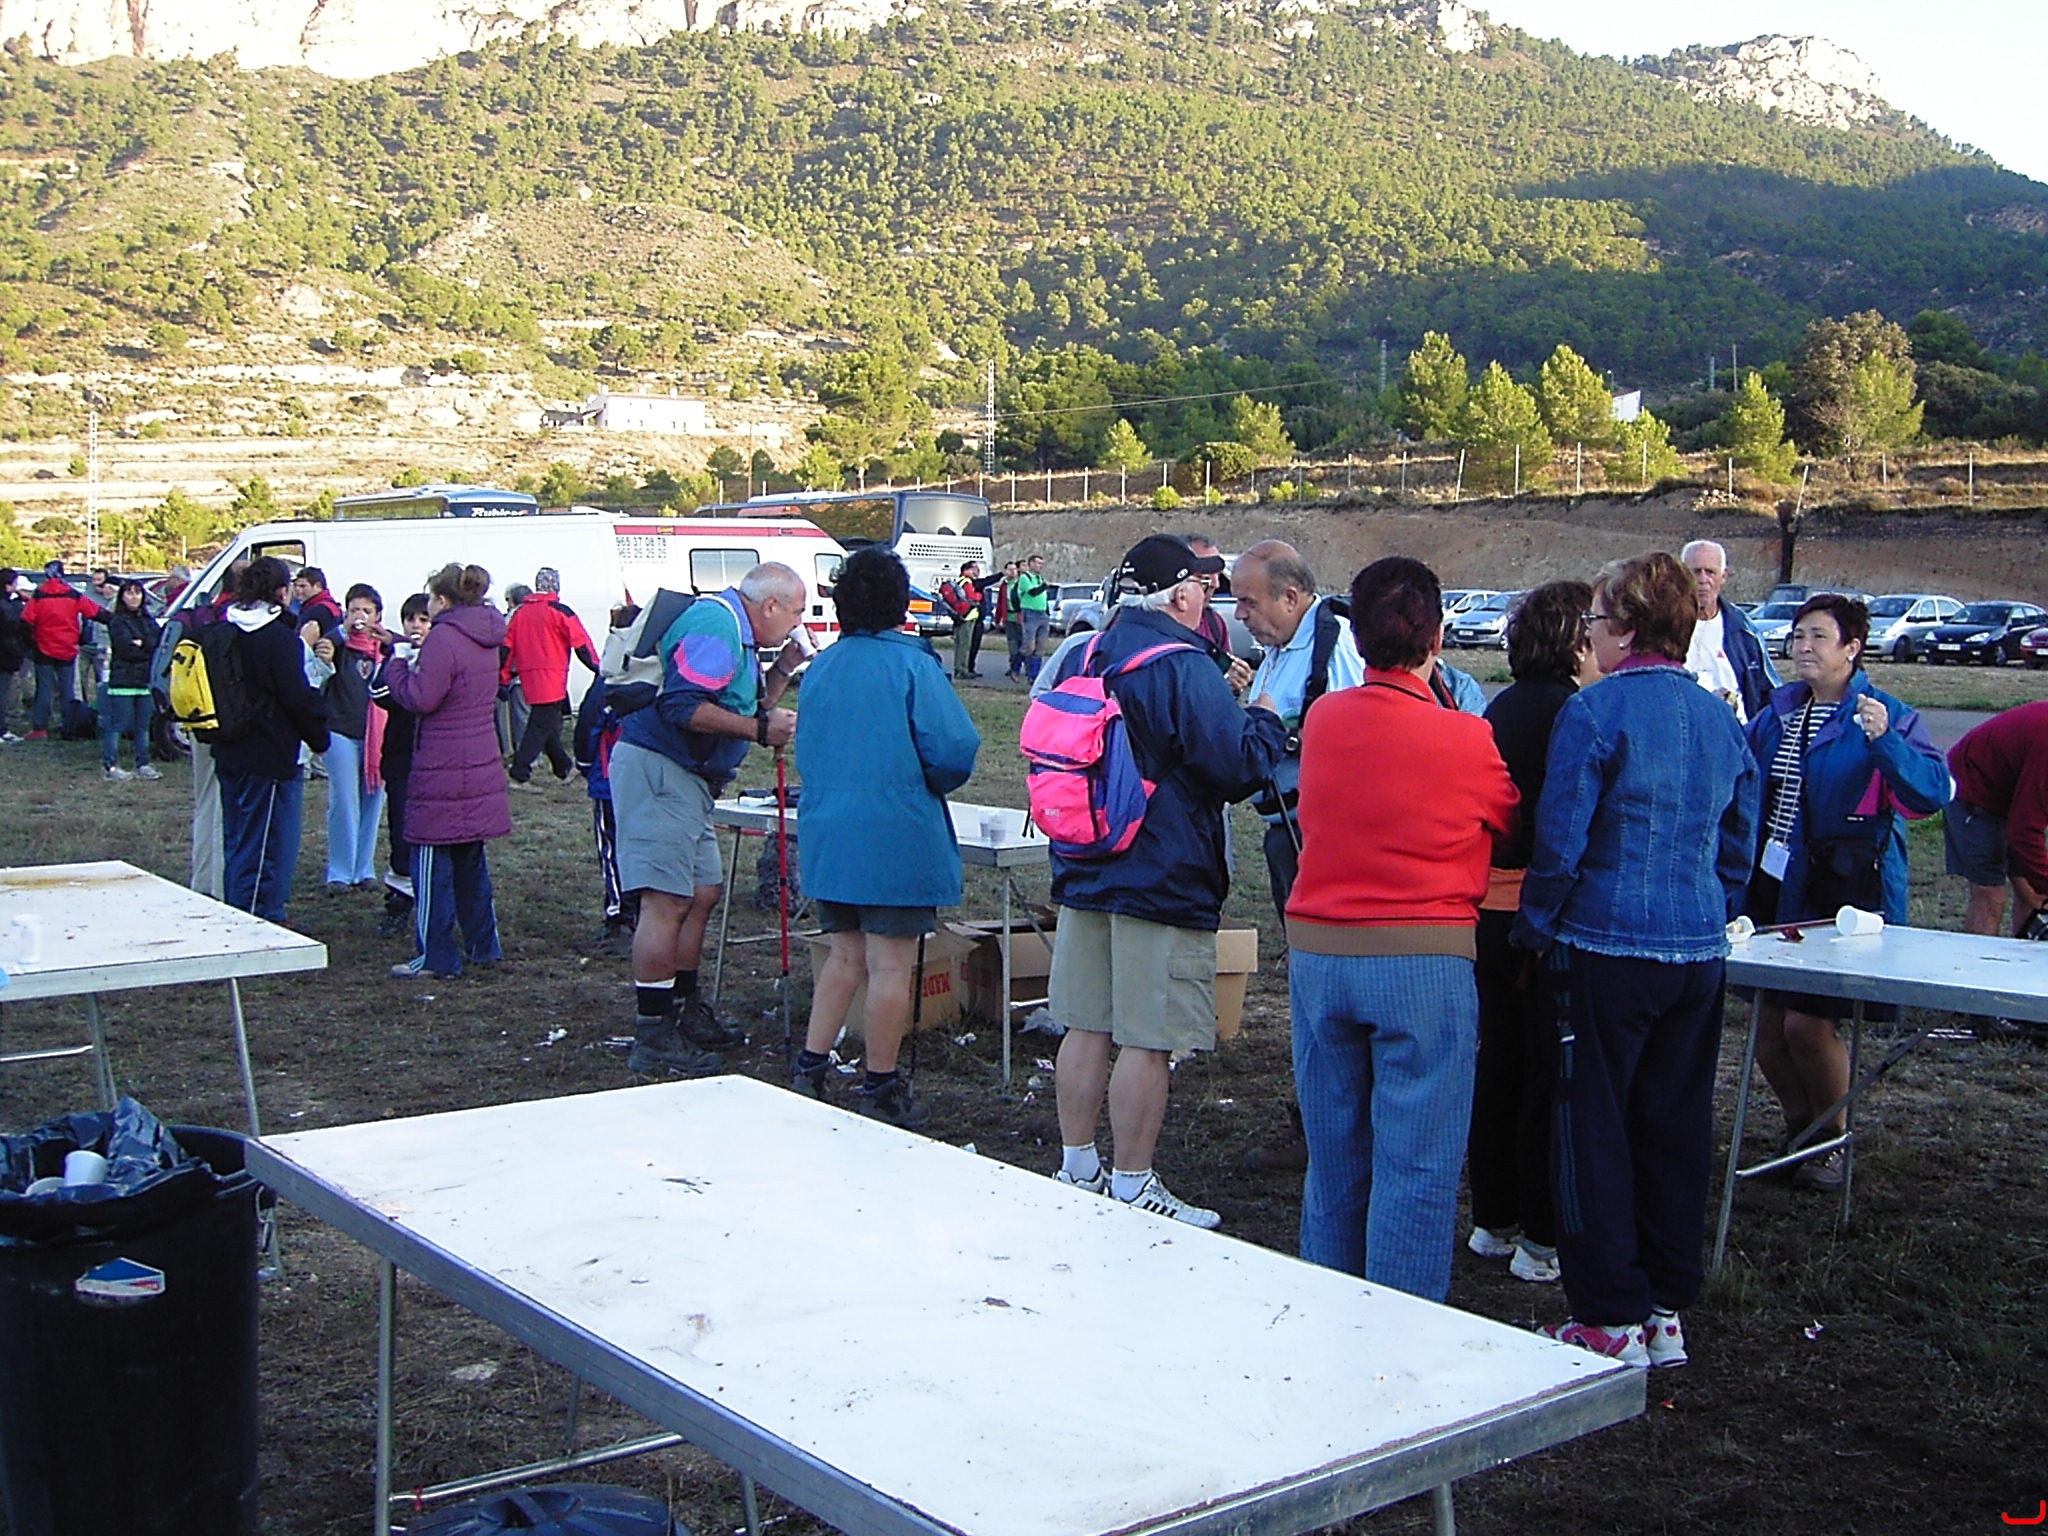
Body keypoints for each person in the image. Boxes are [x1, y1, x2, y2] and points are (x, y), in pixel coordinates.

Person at [1515, 552, 1759, 1369]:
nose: (1588, 634)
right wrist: (1712, 901)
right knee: (1674, 1127)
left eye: (1595, 621)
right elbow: (1739, 836)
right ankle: (1663, 1307)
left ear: (1623, 629)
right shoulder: (1720, 717)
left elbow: (1560, 841)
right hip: (1695, 948)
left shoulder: (1594, 711)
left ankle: (1608, 1314)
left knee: (1592, 1131)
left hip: (1605, 946)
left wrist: (1535, 927)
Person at [1284, 557, 1518, 1301]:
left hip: (1321, 950)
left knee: (1334, 1152)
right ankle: (1401, 1321)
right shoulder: (1466, 737)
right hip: (1423, 955)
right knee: (1416, 1161)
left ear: (1355, 634)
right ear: (1436, 637)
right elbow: (1509, 820)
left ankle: (1329, 1302)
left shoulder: (1324, 719)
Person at [1046, 534, 1287, 1228]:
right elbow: (1236, 767)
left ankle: (1076, 1166)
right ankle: (1133, 1182)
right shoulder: (1181, 664)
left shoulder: (1085, 652)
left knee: (1086, 1025)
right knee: (1147, 1038)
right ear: (1180, 594)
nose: (1209, 599)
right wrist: (1265, 720)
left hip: (1085, 858)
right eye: (1204, 588)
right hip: (1161, 869)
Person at [1744, 594, 1950, 1189]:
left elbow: (1930, 792)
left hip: (1842, 893)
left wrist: (1885, 742)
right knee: (1767, 1032)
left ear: (1852, 648)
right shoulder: (1778, 711)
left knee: (1807, 1027)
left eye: (1818, 637)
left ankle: (1831, 1142)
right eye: (1798, 636)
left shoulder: (1885, 714)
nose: (1803, 648)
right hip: (1773, 887)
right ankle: (1801, 1133)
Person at [793, 547, 980, 1127]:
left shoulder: (821, 666)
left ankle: (810, 1066)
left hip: (829, 832)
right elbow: (953, 750)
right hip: (895, 832)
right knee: (890, 965)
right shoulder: (912, 666)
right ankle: (879, 1083)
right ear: (901, 604)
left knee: (844, 955)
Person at [610, 561, 807, 1075]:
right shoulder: (717, 624)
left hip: (689, 778)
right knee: (667, 899)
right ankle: (653, 1032)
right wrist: (760, 731)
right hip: (661, 769)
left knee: (700, 894)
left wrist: (782, 671)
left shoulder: (739, 634)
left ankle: (683, 1005)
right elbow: (683, 707)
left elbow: (740, 705)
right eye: (795, 612)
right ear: (769, 605)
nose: (798, 622)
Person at [1465, 581, 1599, 1286]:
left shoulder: (1501, 708)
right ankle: (1542, 1236)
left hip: (1486, 907)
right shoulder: (1572, 714)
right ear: (1576, 640)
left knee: (1499, 1063)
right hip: (1539, 913)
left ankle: (1493, 1218)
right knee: (1547, 1073)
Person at [383, 564, 510, 979]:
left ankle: (435, 957)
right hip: (478, 760)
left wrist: (397, 667)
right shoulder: (485, 635)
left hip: (440, 766)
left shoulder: (444, 637)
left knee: (430, 865)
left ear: (441, 600)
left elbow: (422, 697)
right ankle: (483, 947)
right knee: (471, 862)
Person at [1233, 541, 1366, 919]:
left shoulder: (1336, 648)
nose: (1239, 614)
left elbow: (1358, 745)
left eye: (1249, 602)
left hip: (1324, 839)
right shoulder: (1282, 643)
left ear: (1290, 598)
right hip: (1287, 832)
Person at [213, 556, 331, 923]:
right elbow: (296, 697)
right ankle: (255, 919)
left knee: (237, 839)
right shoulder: (278, 639)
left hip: (227, 746)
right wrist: (319, 736)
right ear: (281, 592)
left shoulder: (222, 629)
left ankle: (240, 909)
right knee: (266, 844)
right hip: (270, 752)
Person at [1944, 701, 2048, 939]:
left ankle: (2023, 959)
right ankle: (1976, 962)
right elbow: (2023, 831)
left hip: (2015, 790)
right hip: (1972, 786)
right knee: (1990, 895)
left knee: (2033, 894)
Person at [312, 584, 391, 889]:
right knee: (344, 799)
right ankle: (340, 870)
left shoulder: (384, 650)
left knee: (372, 800)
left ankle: (364, 868)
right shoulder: (338, 645)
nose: (360, 616)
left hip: (377, 735)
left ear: (377, 616)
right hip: (340, 730)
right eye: (355, 609)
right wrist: (341, 632)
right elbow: (323, 652)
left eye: (367, 611)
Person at [574, 604, 639, 955]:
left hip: (609, 776)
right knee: (639, 843)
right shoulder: (656, 673)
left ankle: (619, 913)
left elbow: (588, 722)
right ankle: (641, 909)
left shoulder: (608, 678)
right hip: (643, 777)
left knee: (612, 846)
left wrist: (585, 764)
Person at [369, 593, 432, 936]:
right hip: (400, 758)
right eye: (410, 620)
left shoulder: (441, 658)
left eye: (423, 619)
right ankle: (399, 899)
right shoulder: (398, 657)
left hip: (434, 760)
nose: (416, 626)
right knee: (400, 830)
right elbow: (380, 693)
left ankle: (433, 897)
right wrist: (399, 654)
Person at [502, 567, 599, 786]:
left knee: (547, 723)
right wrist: (598, 668)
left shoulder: (520, 614)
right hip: (553, 678)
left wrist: (503, 677)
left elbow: (507, 648)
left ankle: (563, 768)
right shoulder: (560, 611)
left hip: (528, 678)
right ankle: (519, 772)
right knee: (539, 725)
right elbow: (582, 644)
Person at [1679, 539, 1778, 722]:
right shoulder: (1661, 627)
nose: (1703, 580)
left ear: (1723, 576)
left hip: (1734, 732)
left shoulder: (1744, 631)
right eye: (1695, 571)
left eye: (1710, 572)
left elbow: (1770, 694)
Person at [20, 559, 102, 740]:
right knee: (67, 690)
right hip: (67, 648)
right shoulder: (72, 594)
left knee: (44, 689)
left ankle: (40, 728)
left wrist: (31, 643)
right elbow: (95, 612)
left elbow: (25, 620)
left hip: (43, 648)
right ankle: (69, 726)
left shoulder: (39, 595)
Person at [99, 578, 163, 781]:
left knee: (143, 726)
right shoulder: (117, 621)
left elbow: (158, 641)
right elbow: (125, 649)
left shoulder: (147, 619)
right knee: (117, 724)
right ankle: (110, 766)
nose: (134, 597)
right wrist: (145, 647)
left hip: (144, 680)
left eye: (137, 592)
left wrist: (142, 643)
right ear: (122, 596)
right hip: (123, 680)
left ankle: (142, 763)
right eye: (129, 593)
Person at [940, 560, 983, 680]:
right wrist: (979, 596)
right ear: (967, 570)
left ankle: (959, 668)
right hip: (968, 616)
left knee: (959, 644)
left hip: (959, 615)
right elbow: (971, 597)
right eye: (974, 569)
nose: (976, 571)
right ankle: (962, 670)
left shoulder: (959, 581)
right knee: (964, 644)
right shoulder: (967, 582)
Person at [1015, 554, 1051, 683]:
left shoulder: (1040, 578)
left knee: (1040, 647)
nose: (1040, 566)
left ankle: (1033, 675)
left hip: (1042, 613)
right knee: (1028, 646)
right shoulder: (1025, 578)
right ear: (1031, 564)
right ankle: (1015, 668)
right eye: (1038, 563)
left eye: (1042, 564)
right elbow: (1032, 592)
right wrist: (1044, 586)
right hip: (1030, 613)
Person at [0, 568, 26, 742]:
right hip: (5, 655)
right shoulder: (8, 607)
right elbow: (11, 625)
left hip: (6, 653)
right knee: (2, 693)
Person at [292, 568, 343, 648]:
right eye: (295, 585)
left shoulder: (317, 610)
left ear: (318, 586)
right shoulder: (332, 607)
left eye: (303, 586)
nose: (297, 589)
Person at [996, 560, 1024, 679]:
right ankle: (1013, 667)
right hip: (1009, 618)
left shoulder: (1022, 582)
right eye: (1009, 569)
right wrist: (998, 618)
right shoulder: (1004, 585)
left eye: (1014, 569)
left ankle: (1024, 667)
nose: (1012, 572)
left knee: (1024, 643)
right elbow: (1000, 602)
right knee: (1012, 644)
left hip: (1021, 617)